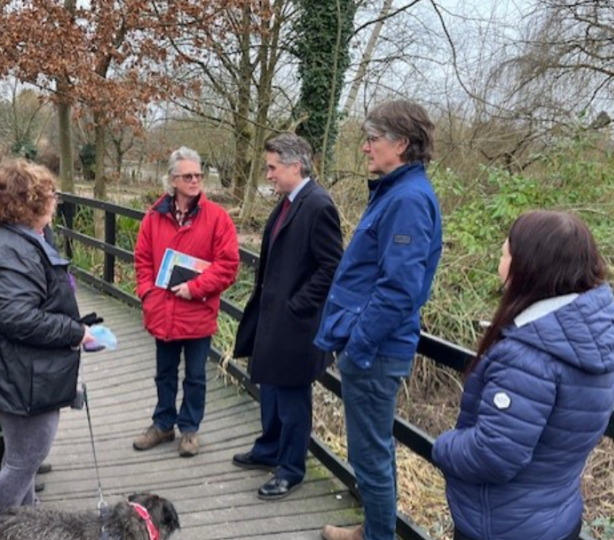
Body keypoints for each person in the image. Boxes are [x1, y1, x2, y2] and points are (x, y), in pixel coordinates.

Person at [432, 211, 614, 540]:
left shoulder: (527, 357)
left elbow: (493, 454)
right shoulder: (597, 338)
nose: (500, 259)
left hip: (503, 525)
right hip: (557, 515)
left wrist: (444, 446)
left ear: (528, 266)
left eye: (505, 253)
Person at [316, 100, 443, 540]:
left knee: (370, 454)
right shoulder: (397, 192)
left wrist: (358, 345)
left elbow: (399, 289)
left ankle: (378, 537)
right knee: (372, 449)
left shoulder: (407, 200)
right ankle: (374, 529)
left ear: (401, 144)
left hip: (376, 352)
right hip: (374, 348)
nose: (365, 147)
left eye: (373, 139)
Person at [0, 160, 95, 518]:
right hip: (20, 375)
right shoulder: (14, 247)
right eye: (51, 195)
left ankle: (27, 525)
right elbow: (16, 316)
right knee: (22, 463)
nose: (56, 201)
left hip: (4, 366)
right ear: (31, 202)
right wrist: (76, 333)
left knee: (21, 462)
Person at [231, 134, 343, 500]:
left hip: (296, 326)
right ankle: (268, 449)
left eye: (273, 167)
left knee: (294, 401)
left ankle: (291, 469)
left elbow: (331, 267)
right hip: (275, 321)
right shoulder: (289, 202)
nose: (268, 174)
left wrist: (297, 304)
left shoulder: (318, 205)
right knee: (272, 391)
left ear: (296, 166)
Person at [133, 146, 239, 457]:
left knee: (195, 376)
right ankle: (163, 424)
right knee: (164, 372)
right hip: (163, 310)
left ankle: (190, 428)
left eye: (198, 175)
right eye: (188, 176)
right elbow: (142, 261)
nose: (195, 181)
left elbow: (228, 265)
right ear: (173, 180)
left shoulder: (218, 219)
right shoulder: (154, 217)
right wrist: (148, 294)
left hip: (197, 311)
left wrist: (195, 288)